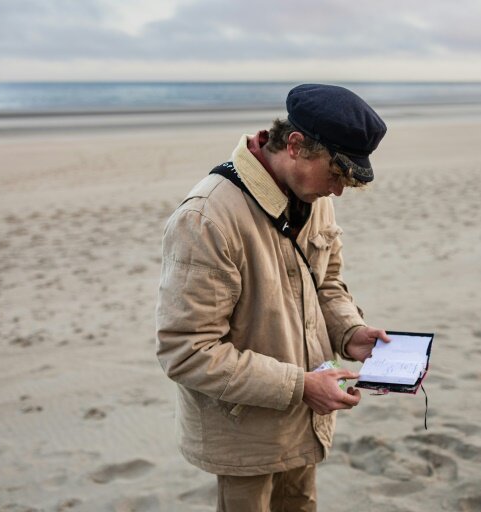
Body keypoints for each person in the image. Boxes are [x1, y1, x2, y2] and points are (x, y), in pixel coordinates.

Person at [156, 83, 390, 511]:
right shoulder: (206, 217)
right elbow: (187, 352)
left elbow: (326, 284)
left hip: (305, 420)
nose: (337, 191)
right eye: (336, 175)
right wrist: (301, 386)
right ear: (296, 145)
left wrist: (350, 332)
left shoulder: (313, 195)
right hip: (243, 433)